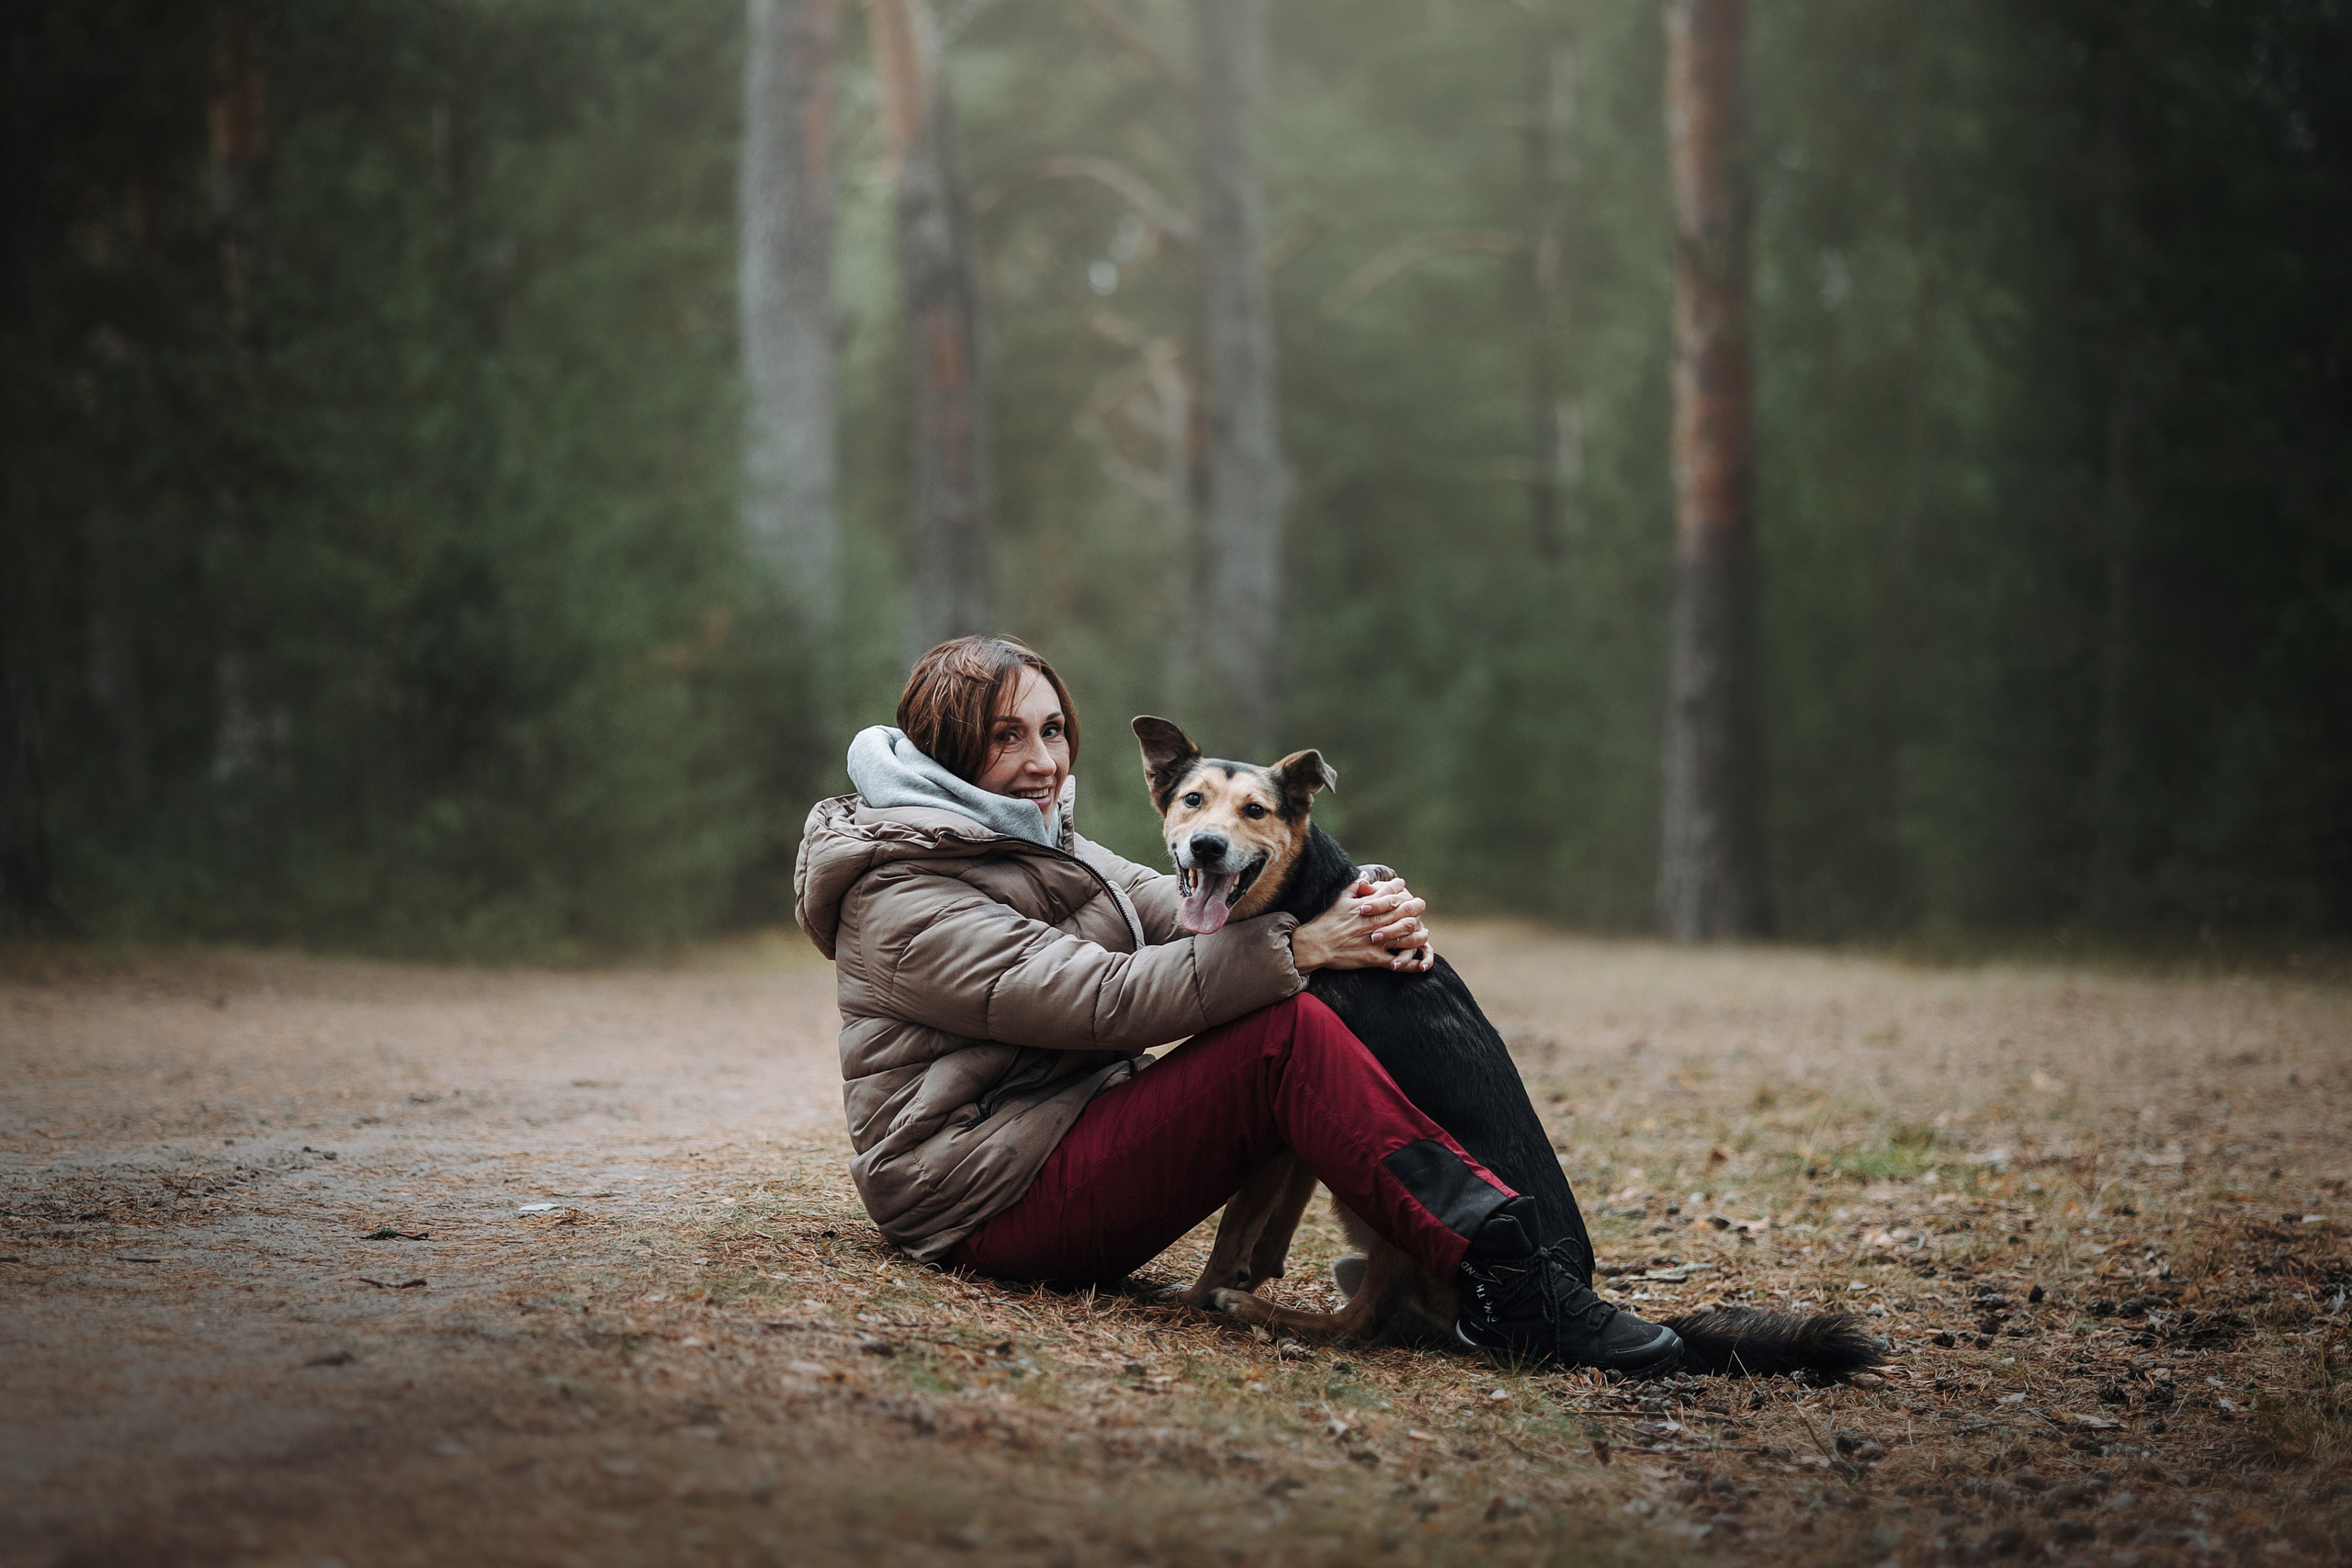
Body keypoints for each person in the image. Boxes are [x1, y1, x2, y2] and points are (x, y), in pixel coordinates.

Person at [792, 636, 1679, 1373]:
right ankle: (1511, 1281)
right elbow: (1101, 997)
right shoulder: (900, 890)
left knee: (1284, 1006)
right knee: (1285, 1028)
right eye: (1006, 735)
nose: (1045, 759)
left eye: (1055, 728)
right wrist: (1304, 945)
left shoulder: (1039, 846)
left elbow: (1193, 918)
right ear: (945, 749)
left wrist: (1362, 904)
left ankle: (1490, 1268)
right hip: (980, 1204)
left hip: (1052, 1144)